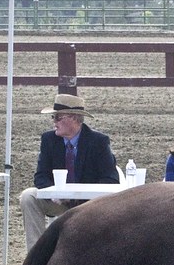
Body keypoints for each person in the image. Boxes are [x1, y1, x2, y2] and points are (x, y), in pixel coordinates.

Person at [20, 93, 119, 251]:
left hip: (90, 205)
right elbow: (40, 176)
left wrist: (79, 194)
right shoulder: (48, 139)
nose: (54, 122)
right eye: (53, 117)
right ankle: (35, 256)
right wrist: (55, 193)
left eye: (58, 117)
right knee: (28, 197)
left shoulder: (98, 141)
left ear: (74, 118)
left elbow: (111, 179)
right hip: (58, 202)